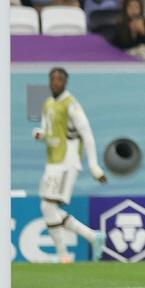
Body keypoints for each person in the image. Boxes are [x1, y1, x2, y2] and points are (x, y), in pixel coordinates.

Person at [33, 68, 106, 262]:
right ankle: (92, 236)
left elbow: (87, 134)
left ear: (65, 83)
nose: (55, 82)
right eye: (52, 79)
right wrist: (40, 134)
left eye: (59, 79)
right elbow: (49, 133)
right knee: (47, 208)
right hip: (52, 162)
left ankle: (63, 256)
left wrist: (94, 166)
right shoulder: (48, 104)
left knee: (48, 207)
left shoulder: (71, 105)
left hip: (68, 162)